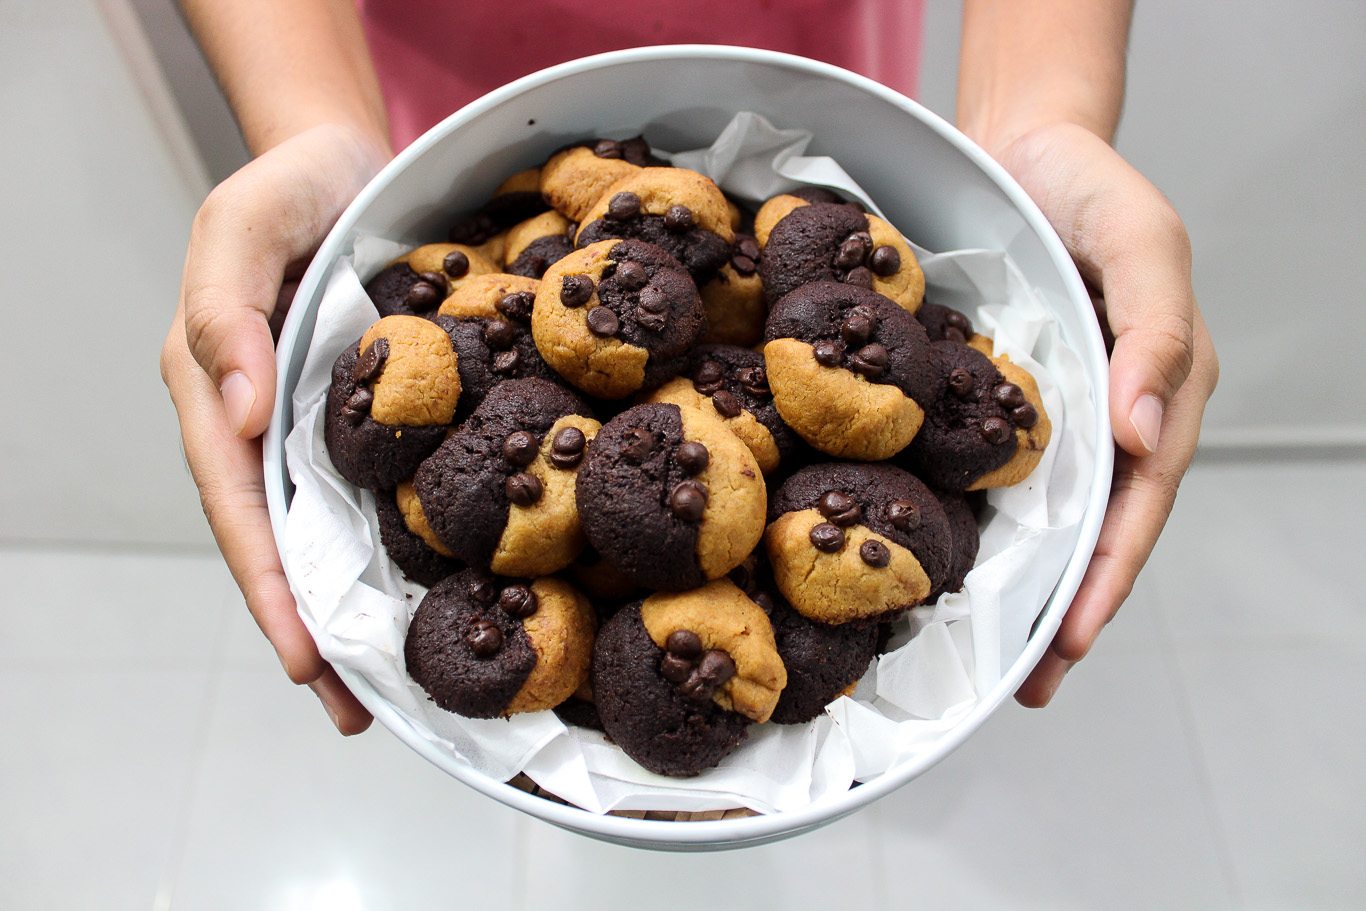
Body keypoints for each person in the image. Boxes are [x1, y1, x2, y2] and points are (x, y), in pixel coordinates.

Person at [161, 0, 1219, 734]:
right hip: (449, 97)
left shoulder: (796, 344)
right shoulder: (546, 330)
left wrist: (1041, 124)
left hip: (812, 56)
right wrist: (307, 125)